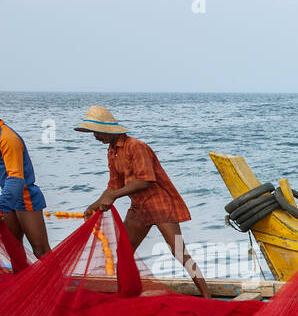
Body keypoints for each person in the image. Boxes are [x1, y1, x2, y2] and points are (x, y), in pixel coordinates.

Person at [76, 105, 211, 298]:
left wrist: (113, 197)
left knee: (179, 251)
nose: (95, 137)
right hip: (139, 208)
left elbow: (145, 180)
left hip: (160, 204)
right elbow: (113, 185)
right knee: (124, 253)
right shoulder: (112, 151)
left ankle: (206, 295)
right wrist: (95, 204)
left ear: (106, 129)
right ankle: (127, 294)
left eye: (96, 132)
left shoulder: (136, 146)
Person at [0, 116, 51, 259]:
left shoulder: (7, 139)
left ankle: (56, 281)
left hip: (25, 195)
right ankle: (21, 281)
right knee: (13, 249)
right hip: (8, 194)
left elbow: (16, 179)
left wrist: (1, 207)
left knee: (40, 250)